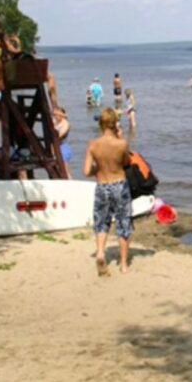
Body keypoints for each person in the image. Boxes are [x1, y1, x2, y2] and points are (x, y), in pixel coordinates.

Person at [83, 108, 132, 276]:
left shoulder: (93, 145)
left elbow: (86, 171)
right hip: (119, 184)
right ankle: (123, 264)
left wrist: (98, 169)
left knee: (102, 222)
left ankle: (100, 252)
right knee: (123, 223)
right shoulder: (122, 144)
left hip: (102, 185)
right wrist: (120, 137)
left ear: (101, 124)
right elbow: (126, 162)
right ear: (115, 124)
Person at [53, 107, 72, 178]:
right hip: (57, 147)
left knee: (65, 168)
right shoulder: (56, 122)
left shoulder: (66, 124)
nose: (55, 116)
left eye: (57, 115)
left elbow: (60, 136)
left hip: (63, 147)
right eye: (54, 115)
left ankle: (70, 181)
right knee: (58, 168)